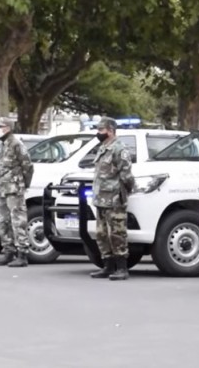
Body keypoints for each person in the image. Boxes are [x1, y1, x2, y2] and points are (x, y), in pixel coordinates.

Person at [89, 117, 135, 281]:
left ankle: (122, 268)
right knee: (101, 234)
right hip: (101, 198)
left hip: (115, 198)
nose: (98, 133)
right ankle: (107, 266)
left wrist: (125, 192)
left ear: (110, 130)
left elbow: (127, 176)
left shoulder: (119, 149)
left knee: (117, 233)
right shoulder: (103, 148)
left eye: (101, 130)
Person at [0, 117, 34, 268]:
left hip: (14, 188)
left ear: (8, 128)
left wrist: (24, 184)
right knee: (4, 221)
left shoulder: (16, 144)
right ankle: (8, 251)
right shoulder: (3, 144)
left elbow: (27, 166)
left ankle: (22, 253)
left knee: (18, 221)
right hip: (3, 188)